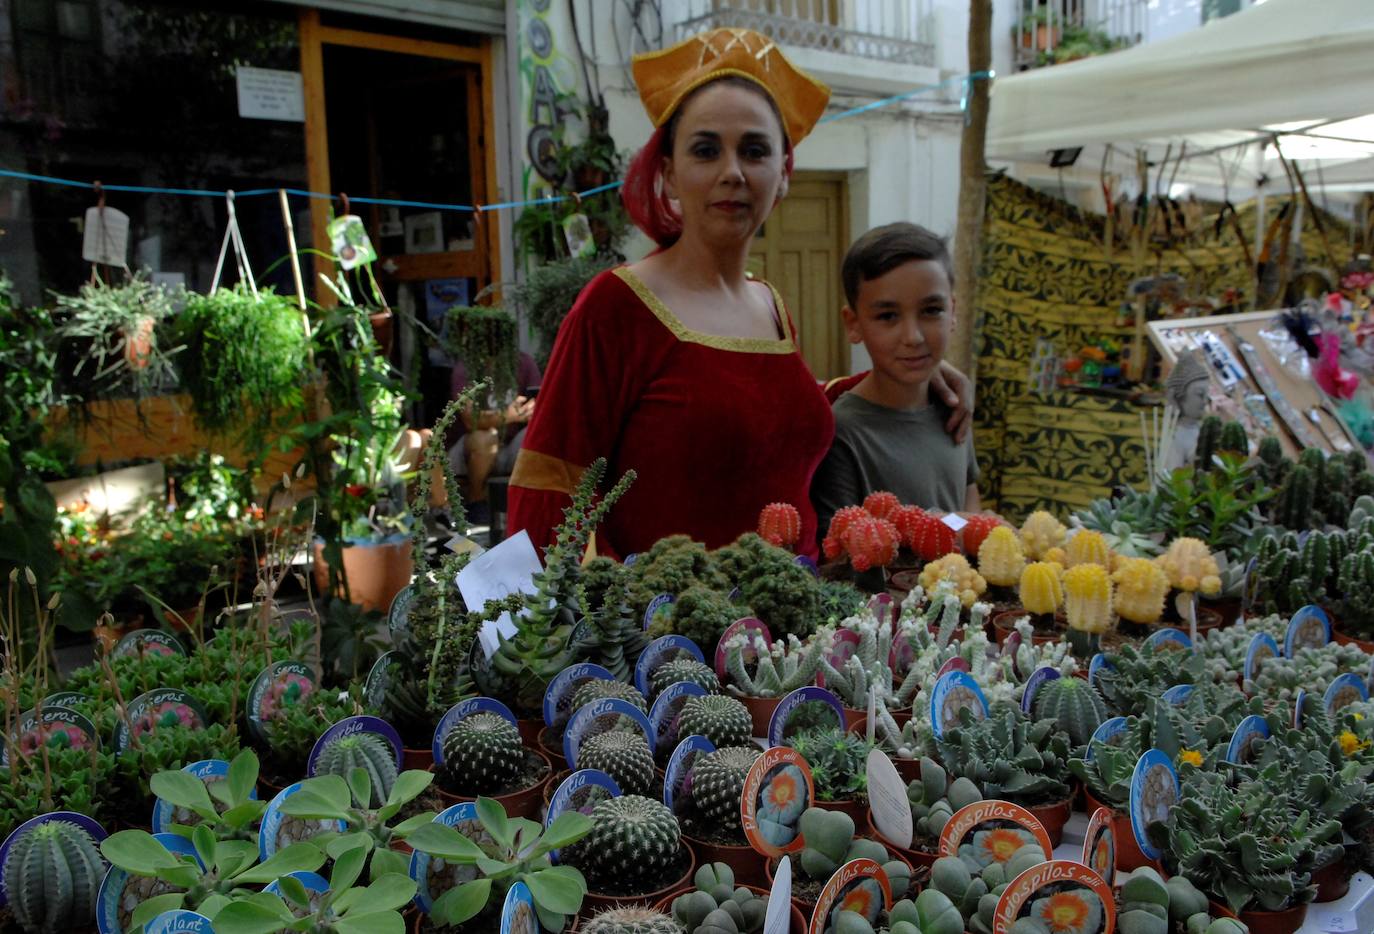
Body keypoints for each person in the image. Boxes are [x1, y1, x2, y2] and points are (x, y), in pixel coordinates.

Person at [507, 27, 971, 560]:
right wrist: (613, 629)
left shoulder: (768, 304)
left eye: (754, 150)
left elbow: (764, 421)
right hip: (670, 637)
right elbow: (545, 491)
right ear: (670, 174)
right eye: (706, 150)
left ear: (784, 174)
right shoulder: (615, 307)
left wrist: (908, 374)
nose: (733, 172)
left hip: (794, 632)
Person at [811, 223, 980, 537]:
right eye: (888, 316)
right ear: (854, 324)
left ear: (953, 311)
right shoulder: (842, 433)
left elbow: (970, 503)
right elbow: (839, 551)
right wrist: (955, 525)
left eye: (931, 310)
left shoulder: (953, 407)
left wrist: (973, 528)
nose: (913, 337)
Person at [448, 352, 541, 524]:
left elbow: (537, 405)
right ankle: (476, 503)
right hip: (473, 446)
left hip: (512, 442)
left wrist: (519, 413)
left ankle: (530, 505)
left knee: (536, 435)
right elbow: (470, 420)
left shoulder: (524, 362)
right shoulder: (466, 367)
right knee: (485, 438)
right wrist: (508, 415)